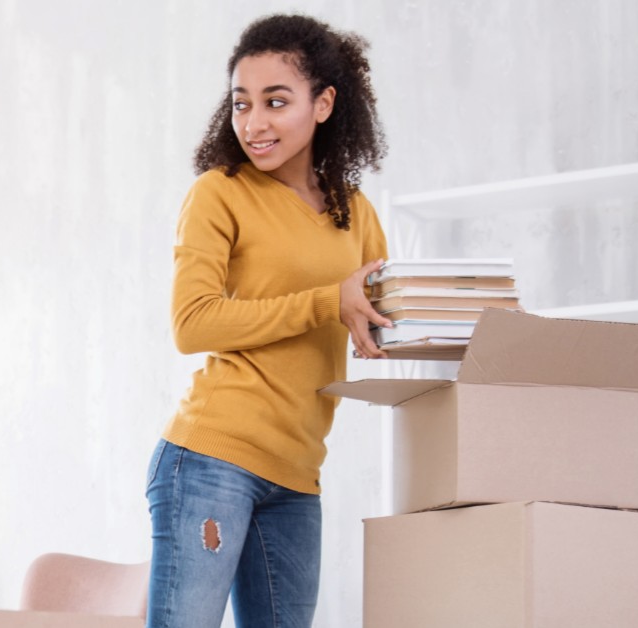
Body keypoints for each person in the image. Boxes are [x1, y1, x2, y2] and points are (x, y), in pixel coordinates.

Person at [144, 14, 392, 628]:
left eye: (276, 102)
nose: (254, 123)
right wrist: (324, 302)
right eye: (241, 104)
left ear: (324, 103)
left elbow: (382, 305)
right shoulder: (218, 194)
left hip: (298, 476)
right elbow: (192, 323)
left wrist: (463, 320)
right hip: (210, 459)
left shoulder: (352, 211)